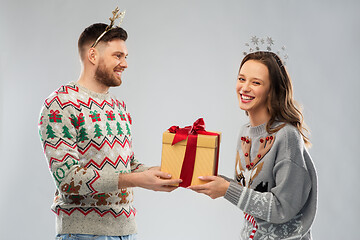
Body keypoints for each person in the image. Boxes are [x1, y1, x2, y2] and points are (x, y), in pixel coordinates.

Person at [38, 19, 182, 240]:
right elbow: (67, 179)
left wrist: (157, 174)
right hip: (83, 234)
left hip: (127, 231)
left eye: (125, 57)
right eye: (118, 56)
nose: (125, 64)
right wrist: (136, 179)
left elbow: (128, 165)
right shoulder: (61, 103)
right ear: (93, 56)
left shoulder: (118, 107)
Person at [189, 51, 317, 239]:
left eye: (256, 82)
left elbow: (283, 207)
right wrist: (216, 182)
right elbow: (249, 192)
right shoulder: (245, 132)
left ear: (272, 90)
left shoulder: (287, 136)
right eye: (241, 79)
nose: (245, 88)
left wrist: (226, 189)